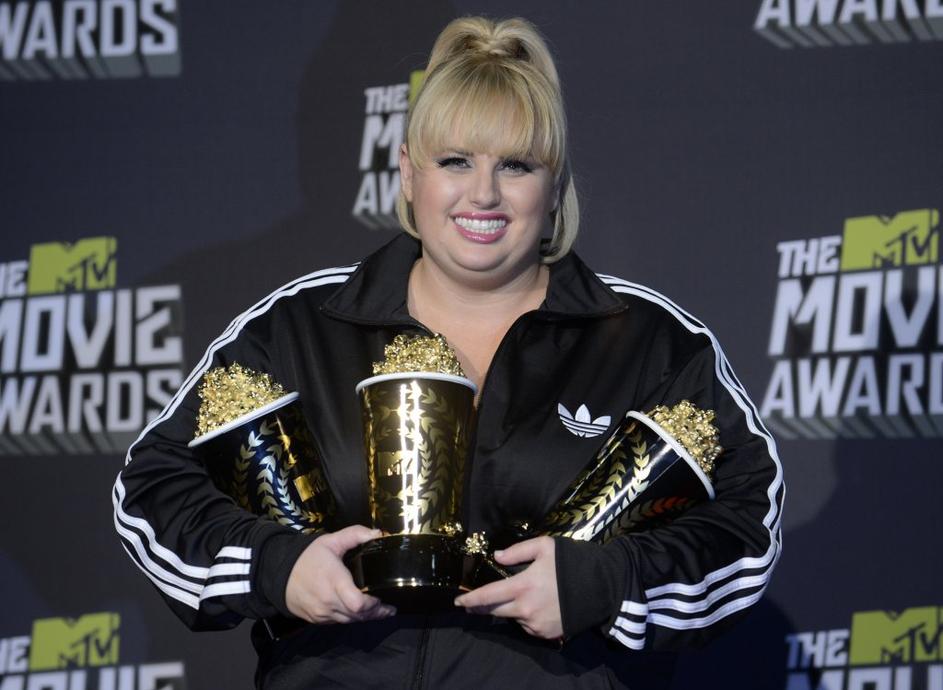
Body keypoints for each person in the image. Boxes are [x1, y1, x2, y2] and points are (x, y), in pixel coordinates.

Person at [113, 16, 783, 689]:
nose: (483, 193)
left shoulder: (649, 341)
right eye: (455, 161)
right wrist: (275, 566)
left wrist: (601, 585)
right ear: (409, 173)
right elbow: (150, 489)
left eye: (516, 165)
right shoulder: (301, 326)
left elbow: (746, 526)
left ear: (554, 187)